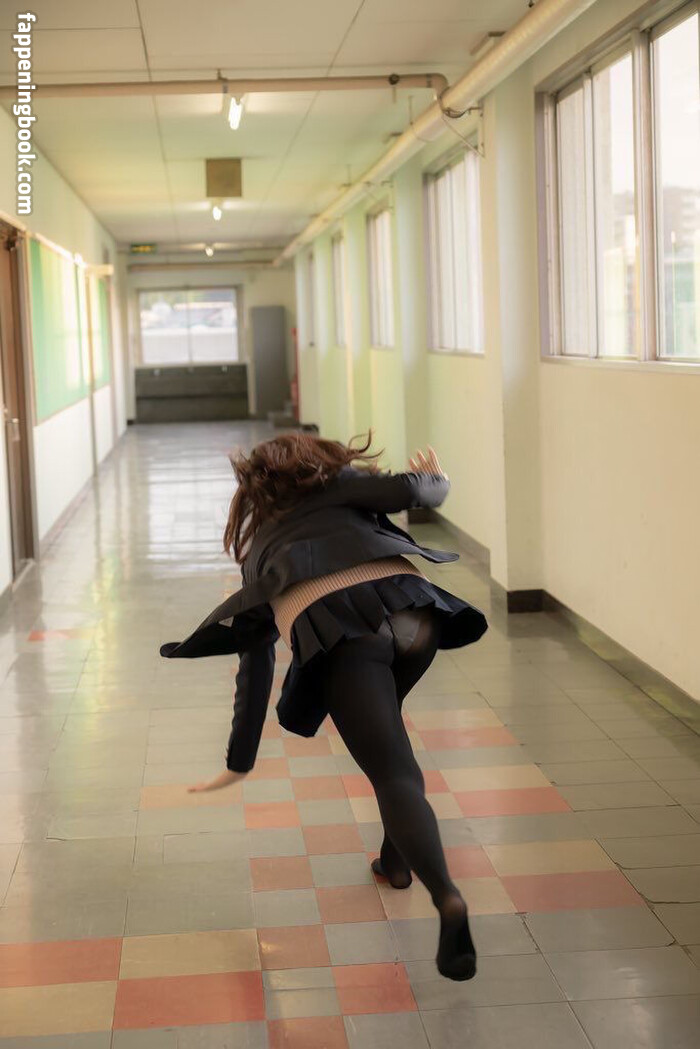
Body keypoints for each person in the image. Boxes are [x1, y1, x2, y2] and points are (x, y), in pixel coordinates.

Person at [161, 431, 488, 981]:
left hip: (345, 636)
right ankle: (396, 863)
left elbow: (256, 665)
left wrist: (239, 761)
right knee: (392, 751)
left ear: (256, 491)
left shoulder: (261, 553)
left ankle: (447, 898)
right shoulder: (342, 487)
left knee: (391, 769)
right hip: (414, 615)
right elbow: (413, 491)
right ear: (317, 464)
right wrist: (440, 481)